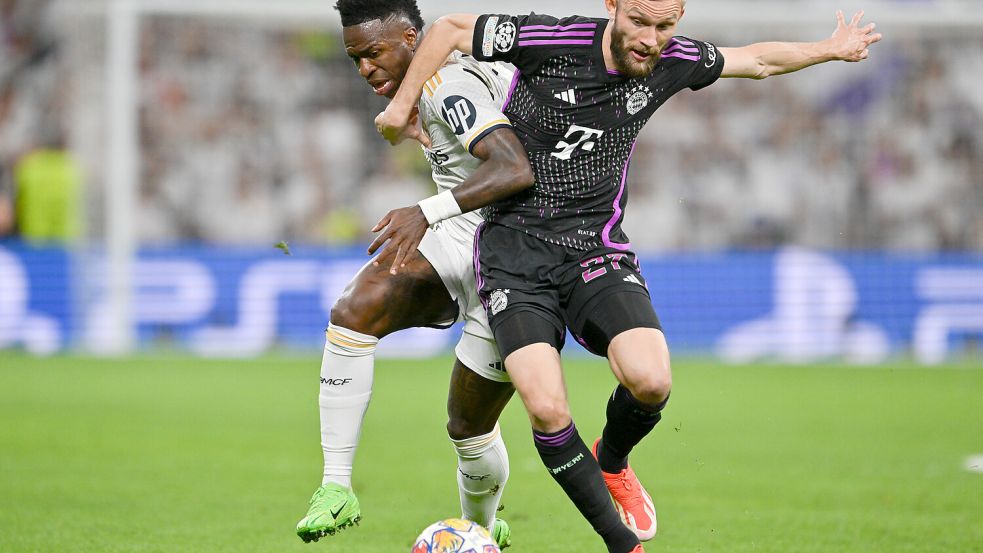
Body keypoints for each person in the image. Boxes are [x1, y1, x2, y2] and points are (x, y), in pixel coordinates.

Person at [375, 2, 881, 552]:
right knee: (546, 408)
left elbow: (756, 60)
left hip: (594, 249)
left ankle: (611, 460)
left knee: (652, 381)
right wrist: (403, 109)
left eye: (665, 26)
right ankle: (625, 546)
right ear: (612, 6)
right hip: (512, 254)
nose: (651, 38)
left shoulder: (673, 59)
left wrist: (829, 50)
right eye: (640, 21)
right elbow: (449, 27)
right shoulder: (552, 40)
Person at [295, 0, 537, 547]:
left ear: (410, 39)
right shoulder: (439, 81)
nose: (365, 69)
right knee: (353, 310)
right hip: (463, 233)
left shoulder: (446, 86)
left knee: (469, 427)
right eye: (355, 58)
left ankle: (480, 526)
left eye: (373, 53)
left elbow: (513, 168)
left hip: (517, 252)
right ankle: (335, 486)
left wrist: (424, 211)